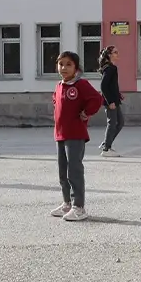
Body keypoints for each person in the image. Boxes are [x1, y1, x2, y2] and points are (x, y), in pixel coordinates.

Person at [51, 51, 103, 221]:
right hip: (60, 134)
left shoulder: (81, 84)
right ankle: (67, 202)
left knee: (74, 170)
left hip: (75, 134)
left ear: (76, 68)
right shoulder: (59, 85)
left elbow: (96, 99)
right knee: (62, 172)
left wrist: (86, 113)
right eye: (61, 64)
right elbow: (55, 101)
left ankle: (78, 206)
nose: (64, 68)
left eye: (68, 64)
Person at [98, 45, 124, 157]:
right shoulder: (109, 68)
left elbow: (111, 86)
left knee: (120, 122)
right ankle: (106, 149)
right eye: (115, 52)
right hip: (111, 102)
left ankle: (106, 143)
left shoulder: (111, 67)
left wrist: (118, 95)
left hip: (114, 100)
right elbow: (103, 86)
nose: (117, 54)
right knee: (112, 123)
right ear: (109, 55)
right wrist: (110, 101)